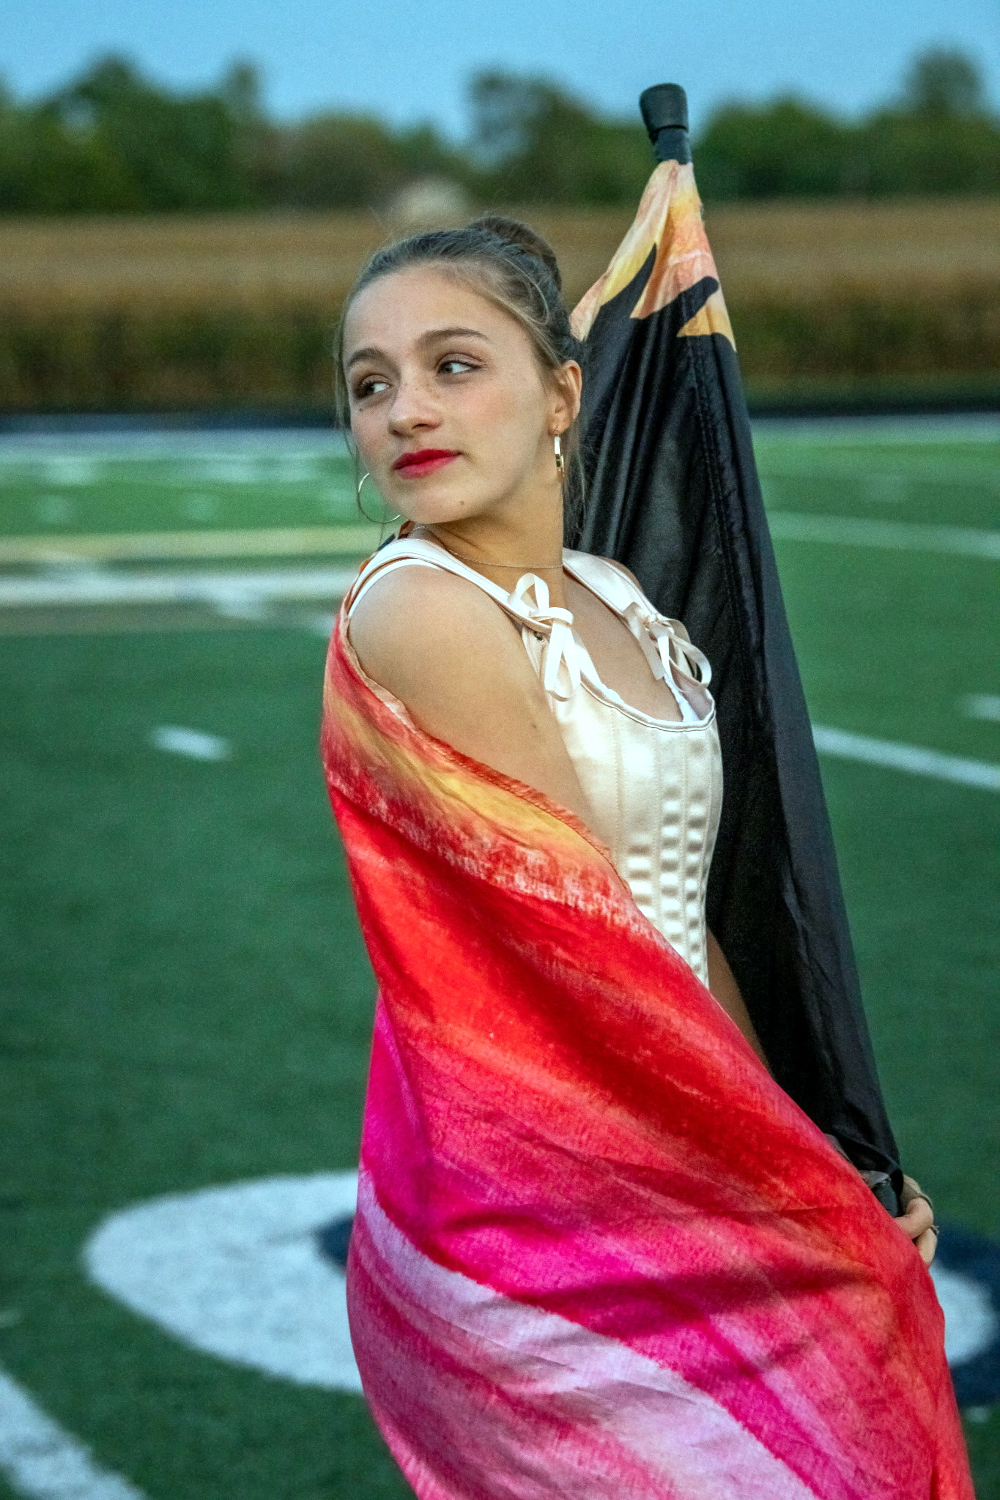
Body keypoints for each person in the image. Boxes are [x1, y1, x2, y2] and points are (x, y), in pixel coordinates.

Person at [321, 217, 970, 1498]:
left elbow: (688, 914)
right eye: (371, 383)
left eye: (455, 365)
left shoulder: (618, 599)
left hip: (669, 1125)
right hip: (542, 1216)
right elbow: (595, 950)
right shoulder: (421, 611)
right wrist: (789, 1185)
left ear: (563, 391)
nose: (405, 410)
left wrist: (804, 1141)